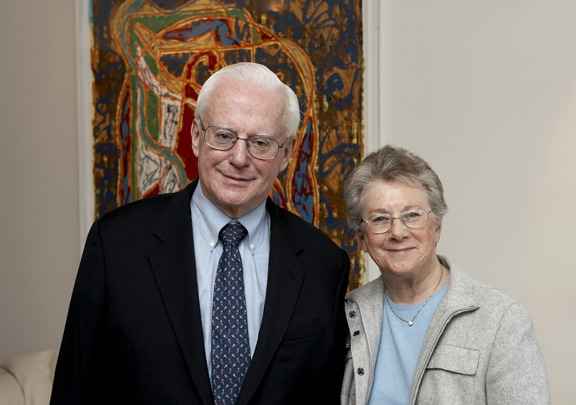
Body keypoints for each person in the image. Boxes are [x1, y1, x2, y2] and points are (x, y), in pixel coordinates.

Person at [50, 62, 350, 405]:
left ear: (285, 154)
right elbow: (74, 390)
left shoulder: (323, 265)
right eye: (224, 136)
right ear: (196, 137)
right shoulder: (117, 245)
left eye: (261, 143)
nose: (239, 158)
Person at [340, 145, 550, 405]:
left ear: (436, 227)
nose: (397, 232)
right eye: (381, 219)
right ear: (361, 237)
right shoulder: (348, 315)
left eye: (412, 215)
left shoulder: (500, 320)